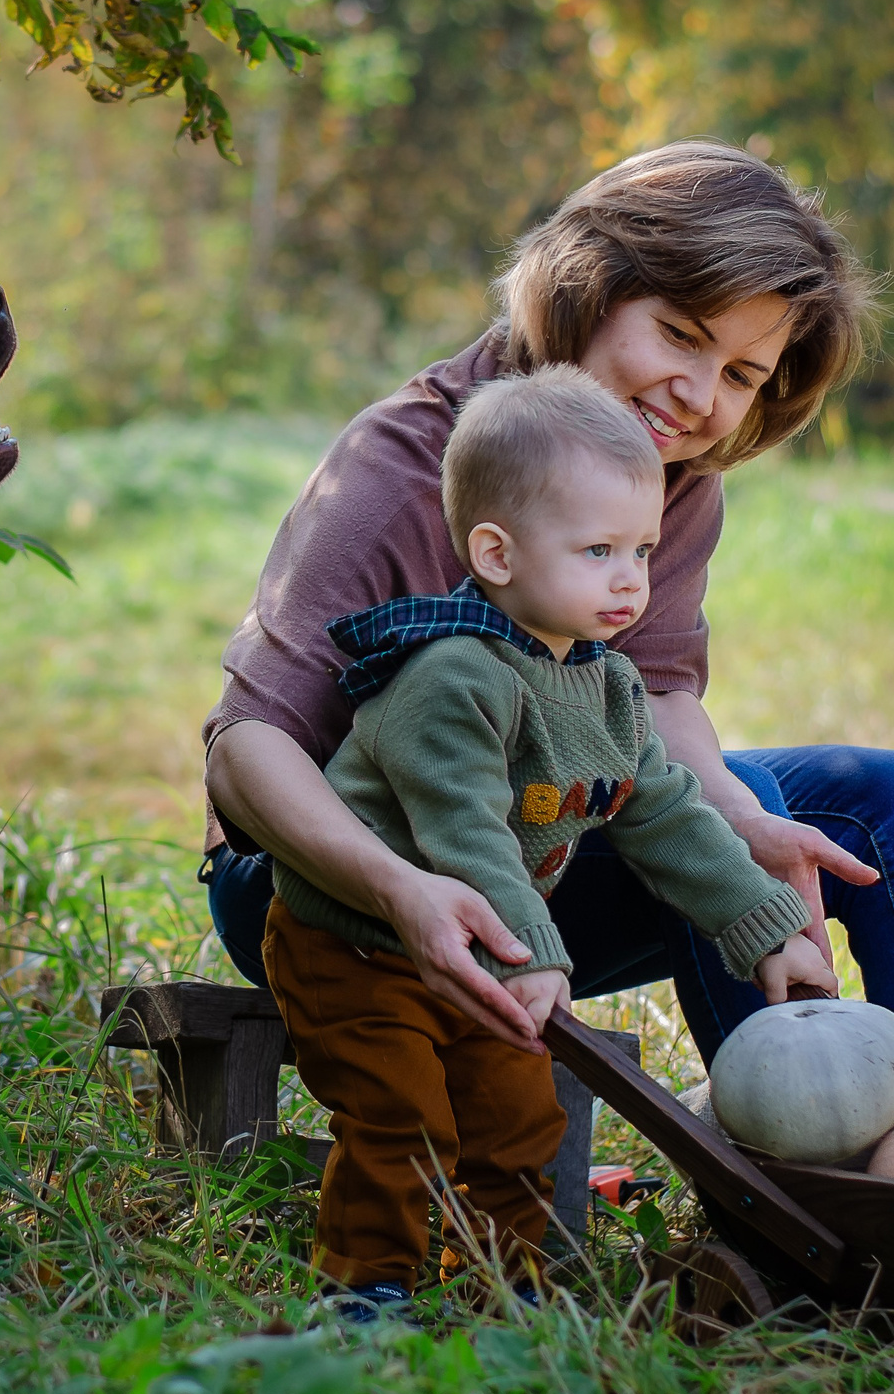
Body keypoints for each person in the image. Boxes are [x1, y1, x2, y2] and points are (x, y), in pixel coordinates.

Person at [202, 139, 894, 1125]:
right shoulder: (403, 466)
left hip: (533, 841)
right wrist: (399, 889)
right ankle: (788, 1197)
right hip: (323, 883)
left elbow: (652, 697)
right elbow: (244, 753)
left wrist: (742, 821)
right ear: (586, 290)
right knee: (749, 795)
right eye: (680, 334)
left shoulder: (669, 479)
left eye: (741, 372)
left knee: (879, 799)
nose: (700, 397)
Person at [266, 366, 837, 1314]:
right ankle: (364, 1292)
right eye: (598, 549)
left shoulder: (607, 686)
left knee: (517, 1116)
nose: (629, 579)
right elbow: (467, 837)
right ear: (496, 552)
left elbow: (664, 811)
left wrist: (766, 925)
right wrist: (536, 954)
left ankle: (500, 1289)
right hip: (358, 940)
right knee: (403, 1116)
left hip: (485, 948)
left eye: (643, 551)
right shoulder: (452, 676)